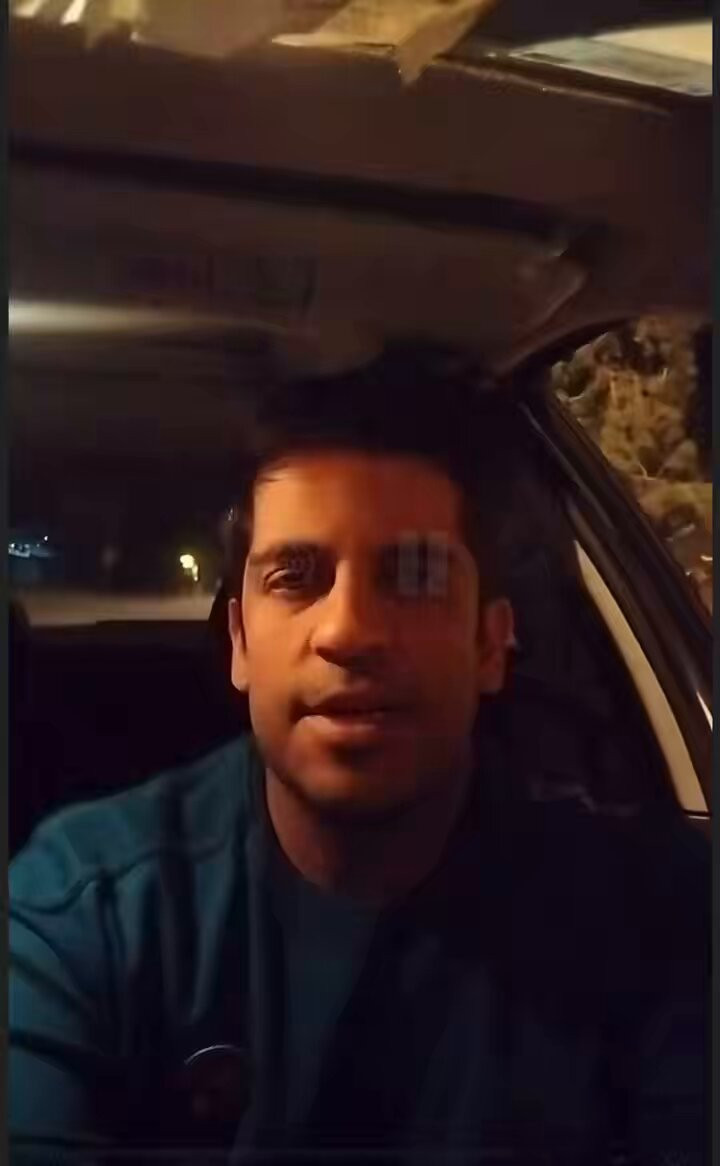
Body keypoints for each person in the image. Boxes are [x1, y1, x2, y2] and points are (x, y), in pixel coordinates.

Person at [9, 349, 709, 1165]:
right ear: (240, 642)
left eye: (413, 574)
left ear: (490, 644)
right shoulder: (83, 912)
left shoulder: (659, 914)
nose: (347, 631)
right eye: (295, 576)